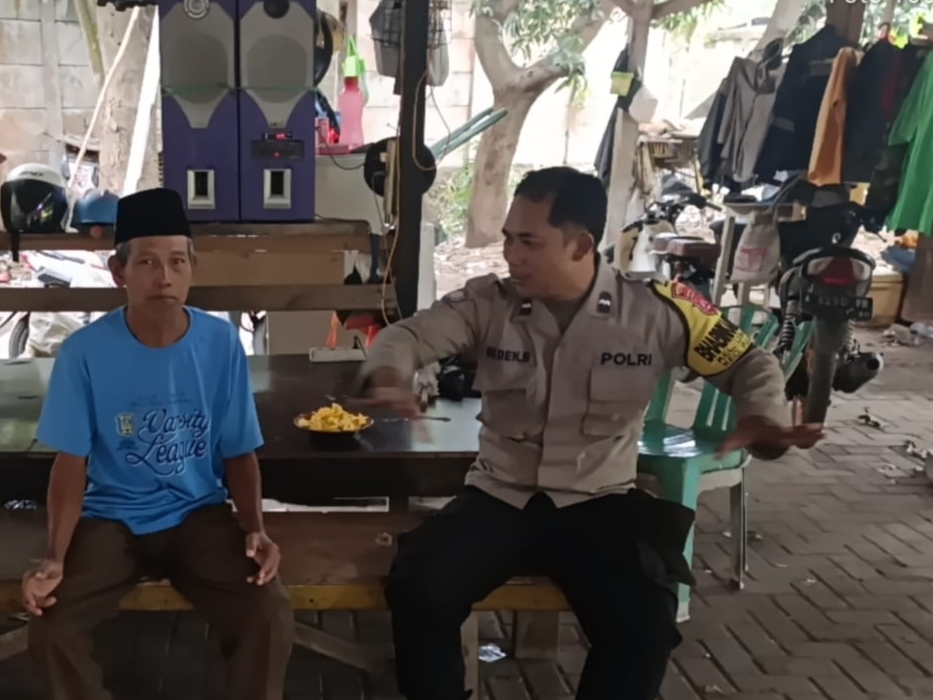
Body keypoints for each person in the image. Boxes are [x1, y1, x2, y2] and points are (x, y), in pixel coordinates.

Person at [356, 167, 824, 700]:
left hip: (598, 501)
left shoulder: (656, 311)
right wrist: (389, 374)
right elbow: (408, 335)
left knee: (643, 624)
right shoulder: (487, 304)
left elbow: (749, 362)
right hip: (499, 497)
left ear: (580, 245)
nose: (511, 255)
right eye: (509, 238)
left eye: (529, 242)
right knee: (419, 589)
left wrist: (762, 417)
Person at [20, 188, 294, 700]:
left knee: (268, 612)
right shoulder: (84, 353)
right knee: (51, 626)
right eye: (146, 262)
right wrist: (54, 556)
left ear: (192, 269)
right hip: (112, 518)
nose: (163, 276)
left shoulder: (220, 344)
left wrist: (256, 528)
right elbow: (70, 463)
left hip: (197, 514)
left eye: (176, 261)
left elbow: (238, 450)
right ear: (118, 271)